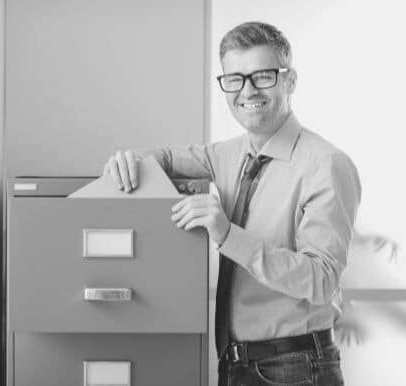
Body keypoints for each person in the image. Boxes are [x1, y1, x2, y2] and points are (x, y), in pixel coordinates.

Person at [103, 21, 361, 386]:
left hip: (296, 367)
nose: (247, 90)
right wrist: (127, 162)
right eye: (235, 78)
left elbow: (321, 279)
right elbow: (165, 158)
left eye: (263, 76)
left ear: (290, 81)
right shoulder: (226, 155)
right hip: (235, 363)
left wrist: (227, 235)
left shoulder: (326, 164)